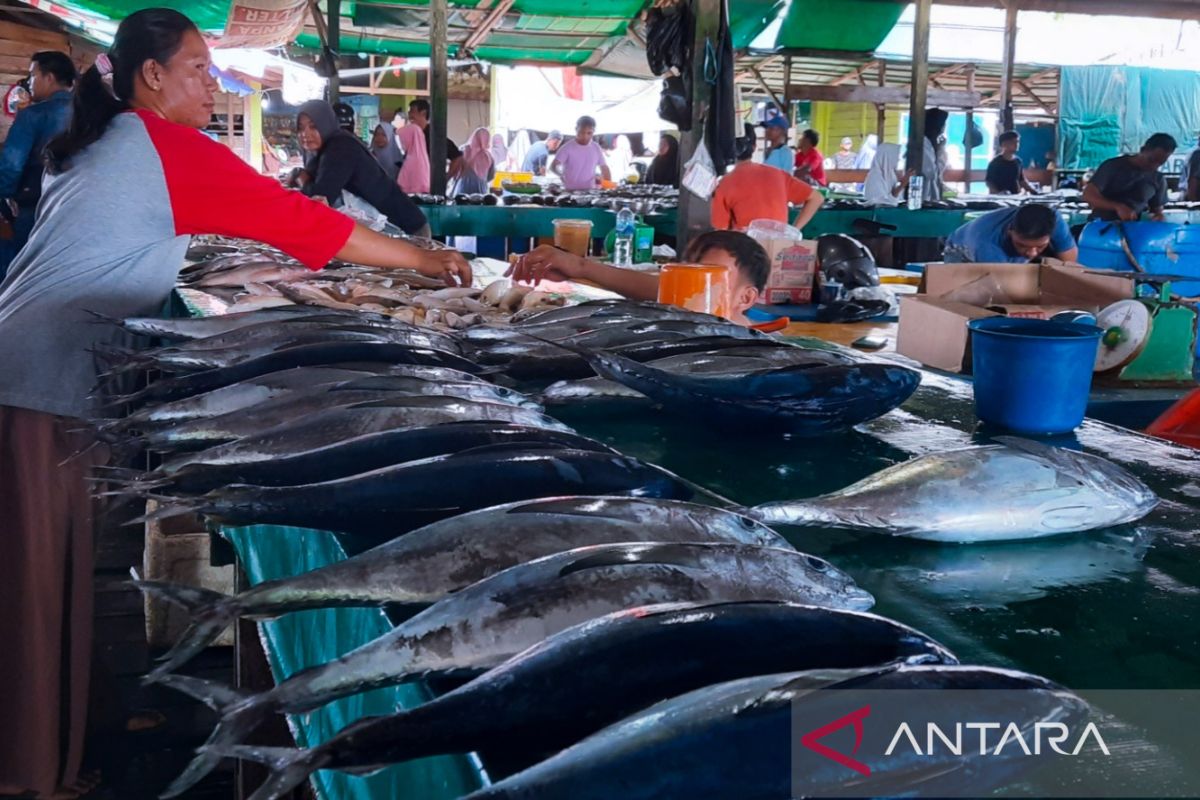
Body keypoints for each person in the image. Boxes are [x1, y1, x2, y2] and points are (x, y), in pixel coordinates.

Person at [0, 10, 470, 800]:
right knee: (35, 581)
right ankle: (29, 773)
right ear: (151, 77)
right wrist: (427, 259)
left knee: (56, 572)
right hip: (38, 381)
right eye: (196, 69)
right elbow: (301, 223)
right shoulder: (163, 146)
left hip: (34, 367)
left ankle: (61, 747)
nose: (210, 84)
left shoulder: (110, 139)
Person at [507, 229, 770, 326]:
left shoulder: (755, 352)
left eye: (708, 278)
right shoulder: (684, 307)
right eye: (685, 272)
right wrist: (577, 267)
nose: (691, 287)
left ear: (746, 298)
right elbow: (660, 290)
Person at [293, 100, 429, 235]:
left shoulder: (340, 147)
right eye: (301, 128)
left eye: (313, 126)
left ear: (326, 124)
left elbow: (320, 199)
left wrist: (302, 180)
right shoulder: (325, 151)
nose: (305, 134)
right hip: (385, 231)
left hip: (406, 231)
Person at [0, 50, 76, 276]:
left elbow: (12, 164)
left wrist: (5, 196)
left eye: (33, 75)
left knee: (19, 271)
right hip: (74, 208)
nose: (29, 82)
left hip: (34, 205)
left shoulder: (34, 115)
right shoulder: (89, 114)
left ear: (49, 77)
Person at [712, 124, 824, 232]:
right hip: (777, 246)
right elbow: (817, 198)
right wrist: (793, 231)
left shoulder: (725, 183)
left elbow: (720, 230)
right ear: (755, 147)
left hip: (745, 248)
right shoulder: (778, 175)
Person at [1083, 133, 1176, 222]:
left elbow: (1157, 210)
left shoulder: (1158, 179)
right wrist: (1117, 207)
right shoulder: (1113, 166)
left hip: (1133, 229)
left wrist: (1159, 216)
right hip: (1101, 225)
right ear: (1143, 149)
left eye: (1160, 163)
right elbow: (1088, 195)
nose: (1154, 166)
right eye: (1151, 160)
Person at [944, 204, 1078, 264]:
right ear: (1010, 231)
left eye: (1040, 246)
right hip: (960, 250)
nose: (1032, 253)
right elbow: (1000, 288)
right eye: (1023, 245)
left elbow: (1068, 264)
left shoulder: (1054, 219)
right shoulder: (985, 245)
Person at [407, 98, 463, 180]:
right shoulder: (411, 135)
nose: (409, 115)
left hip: (429, 184)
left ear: (423, 113)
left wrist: (446, 178)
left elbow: (457, 157)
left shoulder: (434, 136)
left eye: (412, 111)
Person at [552, 115, 611, 191]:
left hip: (590, 191)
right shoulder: (567, 148)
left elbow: (604, 168)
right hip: (570, 191)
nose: (585, 136)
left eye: (589, 133)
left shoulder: (596, 147)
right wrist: (560, 175)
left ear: (594, 132)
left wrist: (606, 187)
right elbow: (553, 166)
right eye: (581, 132)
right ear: (576, 129)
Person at [910, 108, 949, 203]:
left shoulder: (929, 143)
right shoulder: (923, 144)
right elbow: (931, 172)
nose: (944, 127)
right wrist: (941, 150)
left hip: (927, 196)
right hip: (923, 196)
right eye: (943, 124)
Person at [986, 131, 1037, 195]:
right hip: (1000, 198)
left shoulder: (1018, 161)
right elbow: (989, 182)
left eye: (1017, 142)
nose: (1016, 144)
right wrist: (997, 194)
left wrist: (1034, 192)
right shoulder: (995, 162)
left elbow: (1022, 180)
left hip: (1016, 196)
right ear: (1004, 144)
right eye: (1013, 142)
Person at [454, 126, 494, 195]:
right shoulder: (489, 157)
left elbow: (455, 171)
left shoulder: (463, 150)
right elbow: (490, 177)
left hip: (462, 191)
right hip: (481, 193)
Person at [396, 122, 430, 194]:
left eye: (403, 138)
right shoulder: (422, 158)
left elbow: (402, 185)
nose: (402, 142)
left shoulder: (412, 161)